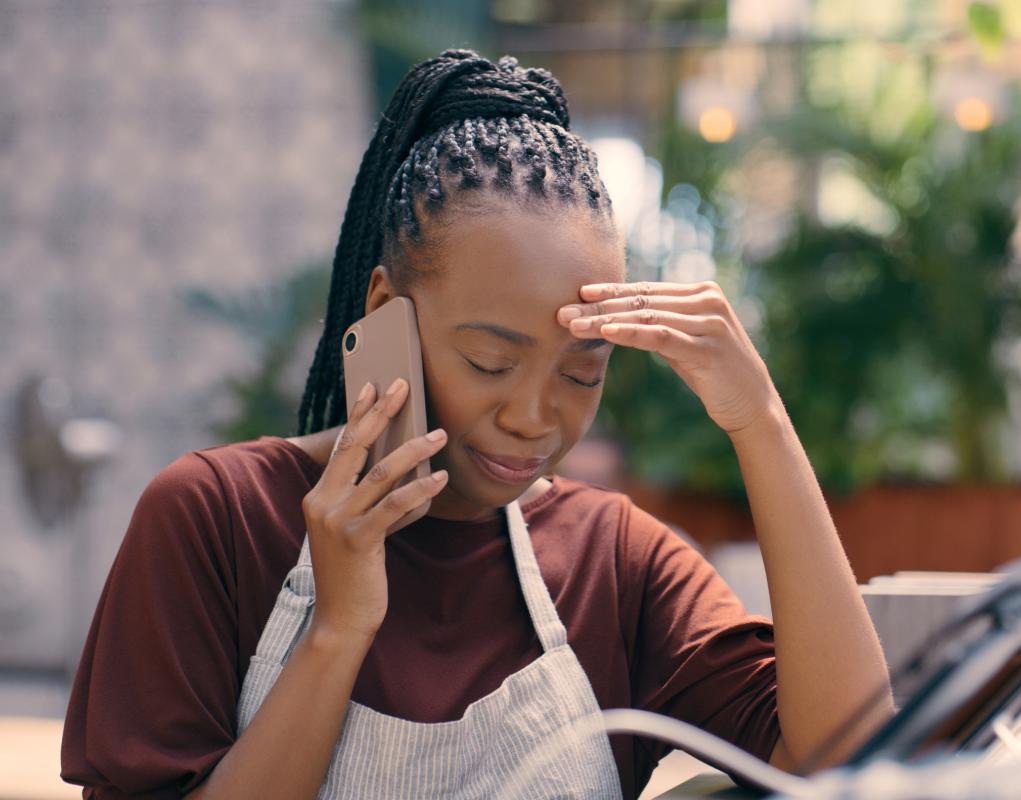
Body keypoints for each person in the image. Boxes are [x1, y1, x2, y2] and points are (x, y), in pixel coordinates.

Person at [60, 49, 892, 799]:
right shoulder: (218, 519)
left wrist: (761, 422)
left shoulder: (613, 562)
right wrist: (337, 632)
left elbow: (844, 761)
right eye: (490, 363)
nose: (533, 419)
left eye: (582, 373)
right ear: (384, 312)